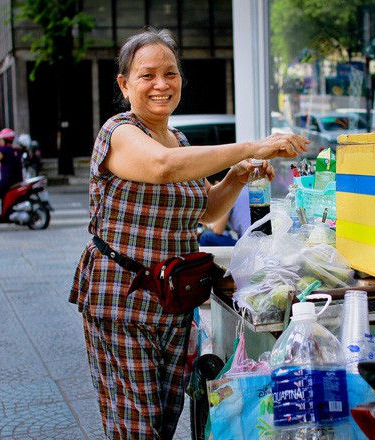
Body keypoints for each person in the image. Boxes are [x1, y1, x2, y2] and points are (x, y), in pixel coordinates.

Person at [69, 26, 309, 439]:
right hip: (123, 299)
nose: (161, 84)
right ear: (125, 84)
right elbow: (162, 167)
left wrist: (235, 175)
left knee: (164, 419)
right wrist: (253, 146)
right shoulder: (119, 132)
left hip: (175, 298)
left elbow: (210, 213)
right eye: (147, 75)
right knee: (136, 425)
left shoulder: (178, 139)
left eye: (171, 73)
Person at [199, 169, 251, 246]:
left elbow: (218, 229)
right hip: (257, 240)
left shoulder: (228, 192)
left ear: (217, 184)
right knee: (226, 234)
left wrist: (208, 224)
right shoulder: (244, 187)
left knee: (206, 237)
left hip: (249, 245)